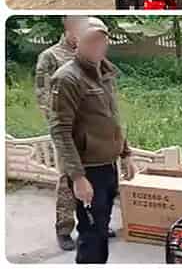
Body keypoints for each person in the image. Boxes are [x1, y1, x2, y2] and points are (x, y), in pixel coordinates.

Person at [49, 17, 135, 264]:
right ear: (77, 41)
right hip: (88, 170)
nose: (97, 44)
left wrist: (125, 153)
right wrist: (77, 177)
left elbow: (112, 119)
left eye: (101, 39)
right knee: (91, 234)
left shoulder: (104, 71)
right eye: (91, 39)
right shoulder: (67, 78)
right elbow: (61, 131)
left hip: (108, 166)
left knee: (101, 229)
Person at [35, 17, 85, 251]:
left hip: (92, 129)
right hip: (67, 130)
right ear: (68, 26)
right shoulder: (51, 57)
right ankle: (64, 229)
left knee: (95, 176)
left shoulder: (90, 53)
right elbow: (43, 96)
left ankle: (93, 224)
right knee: (68, 179)